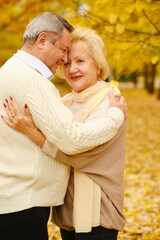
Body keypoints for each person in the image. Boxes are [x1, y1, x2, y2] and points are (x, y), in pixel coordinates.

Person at [2, 27, 127, 240]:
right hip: (68, 212)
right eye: (67, 63)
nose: (72, 69)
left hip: (98, 213)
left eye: (80, 61)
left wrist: (31, 131)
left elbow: (79, 154)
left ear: (98, 65)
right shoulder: (65, 102)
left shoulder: (109, 101)